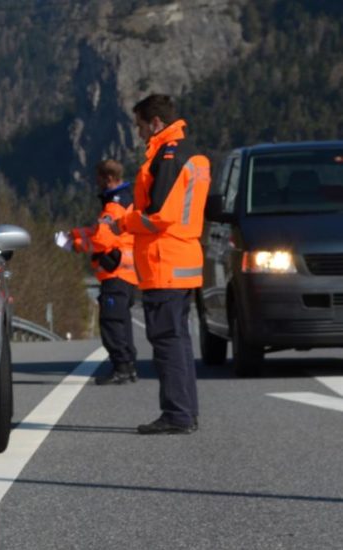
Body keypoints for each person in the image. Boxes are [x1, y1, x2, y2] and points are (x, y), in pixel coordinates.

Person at [103, 94, 210, 435]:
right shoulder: (191, 154)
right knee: (179, 341)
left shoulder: (168, 156)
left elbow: (158, 215)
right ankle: (185, 412)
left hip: (164, 262)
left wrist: (122, 224)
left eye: (140, 126)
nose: (138, 133)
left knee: (166, 341)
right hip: (184, 258)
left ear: (156, 123)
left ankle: (177, 414)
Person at [57, 159, 139, 385]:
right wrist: (74, 234)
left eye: (99, 179)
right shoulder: (127, 200)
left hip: (115, 271)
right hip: (127, 273)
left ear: (109, 179)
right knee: (121, 320)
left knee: (111, 321)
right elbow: (98, 230)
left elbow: (101, 239)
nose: (97, 184)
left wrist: (74, 245)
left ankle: (121, 366)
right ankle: (128, 366)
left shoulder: (113, 206)